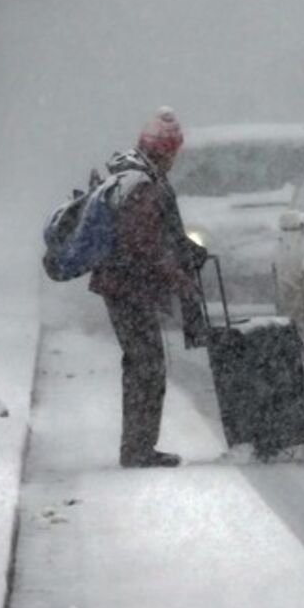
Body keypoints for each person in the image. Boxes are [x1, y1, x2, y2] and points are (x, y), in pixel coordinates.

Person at [89, 107, 205, 468]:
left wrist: (188, 251)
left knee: (143, 365)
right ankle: (137, 450)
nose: (174, 160)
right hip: (128, 287)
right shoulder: (142, 185)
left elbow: (159, 235)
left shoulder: (137, 177)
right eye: (173, 152)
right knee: (147, 367)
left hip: (123, 284)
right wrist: (179, 279)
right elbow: (147, 245)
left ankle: (137, 446)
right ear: (165, 150)